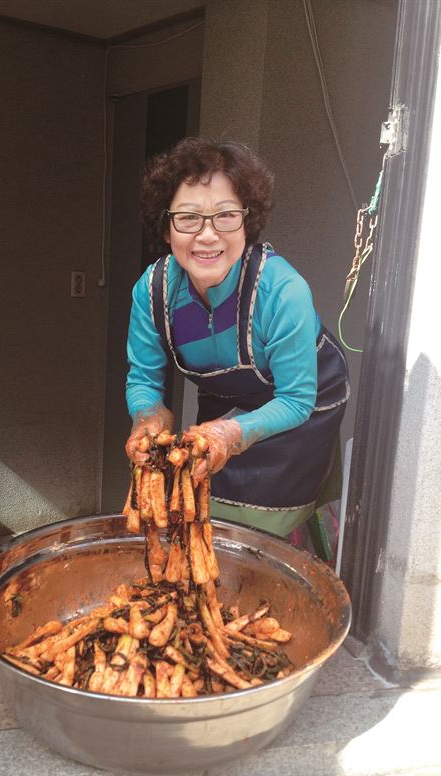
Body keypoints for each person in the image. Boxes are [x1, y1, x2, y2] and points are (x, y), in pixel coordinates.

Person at [125, 137, 349, 537]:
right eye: (188, 217)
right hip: (224, 410)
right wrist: (146, 417)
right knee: (206, 513)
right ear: (165, 226)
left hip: (301, 412)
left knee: (270, 537)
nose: (207, 235)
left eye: (226, 216)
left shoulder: (281, 290)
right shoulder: (153, 290)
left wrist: (231, 432)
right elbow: (144, 379)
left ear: (247, 221)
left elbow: (297, 399)